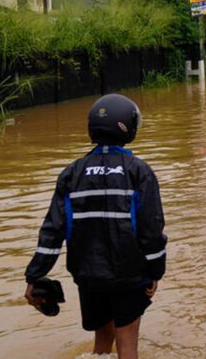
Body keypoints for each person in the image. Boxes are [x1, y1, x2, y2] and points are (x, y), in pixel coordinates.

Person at [24, 93, 167, 359]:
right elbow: (151, 230)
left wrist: (34, 276)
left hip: (88, 276)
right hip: (129, 275)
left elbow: (52, 231)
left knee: (102, 344)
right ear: (129, 127)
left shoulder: (72, 172)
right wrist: (156, 271)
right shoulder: (139, 171)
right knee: (128, 347)